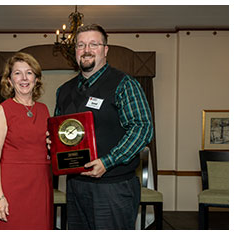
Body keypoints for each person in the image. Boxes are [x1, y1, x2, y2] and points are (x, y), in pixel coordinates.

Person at [53, 24, 153, 229]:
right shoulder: (64, 90)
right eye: (81, 45)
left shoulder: (124, 84)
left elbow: (142, 128)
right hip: (75, 185)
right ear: (75, 52)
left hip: (113, 187)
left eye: (93, 44)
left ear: (105, 50)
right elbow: (62, 131)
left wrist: (108, 162)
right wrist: (52, 142)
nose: (86, 49)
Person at [0, 52, 53, 230]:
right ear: (9, 80)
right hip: (13, 187)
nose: (24, 78)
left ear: (36, 79)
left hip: (41, 185)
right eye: (17, 73)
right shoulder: (3, 110)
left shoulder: (44, 109)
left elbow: (46, 148)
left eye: (29, 72)